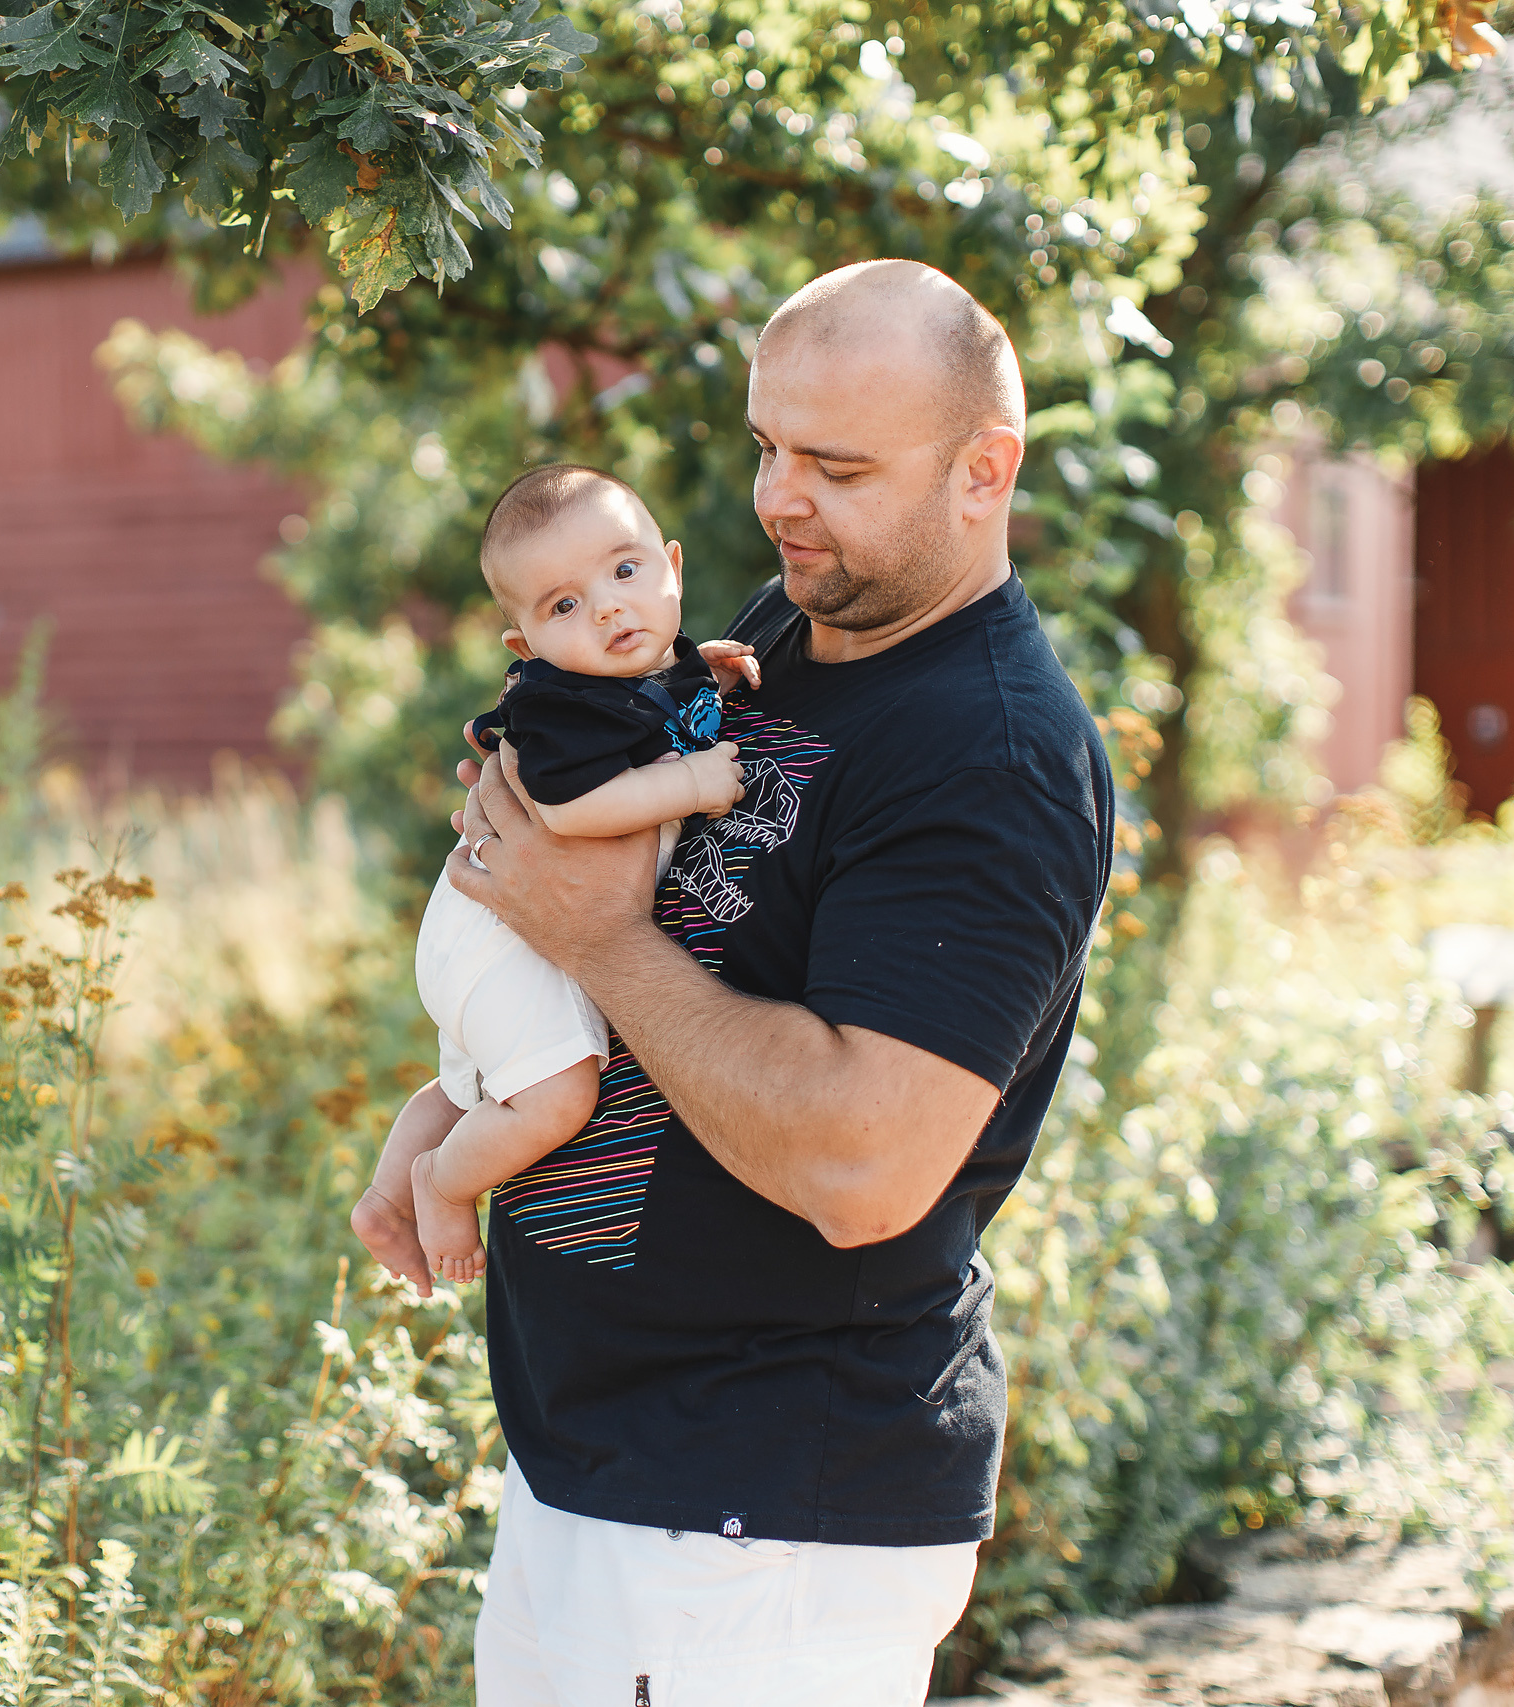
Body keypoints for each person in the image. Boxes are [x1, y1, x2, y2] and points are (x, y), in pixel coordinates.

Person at [380, 259, 1116, 1702]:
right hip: (606, 1471)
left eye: (835, 465)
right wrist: (458, 1094)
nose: (779, 497)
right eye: (766, 444)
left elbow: (861, 1162)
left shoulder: (995, 757)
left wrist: (590, 931)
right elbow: (669, 944)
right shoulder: (785, 635)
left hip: (761, 1522)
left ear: (986, 470)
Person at [355, 465, 761, 1287]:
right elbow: (572, 806)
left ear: (671, 569)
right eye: (563, 605)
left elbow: (660, 709)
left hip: (485, 927)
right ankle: (441, 1181)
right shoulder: (562, 706)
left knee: (470, 1086)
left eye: (625, 571)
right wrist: (689, 785)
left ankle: (383, 1194)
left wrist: (701, 672)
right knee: (556, 1097)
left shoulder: (631, 674)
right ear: (526, 646)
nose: (610, 606)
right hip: (507, 936)